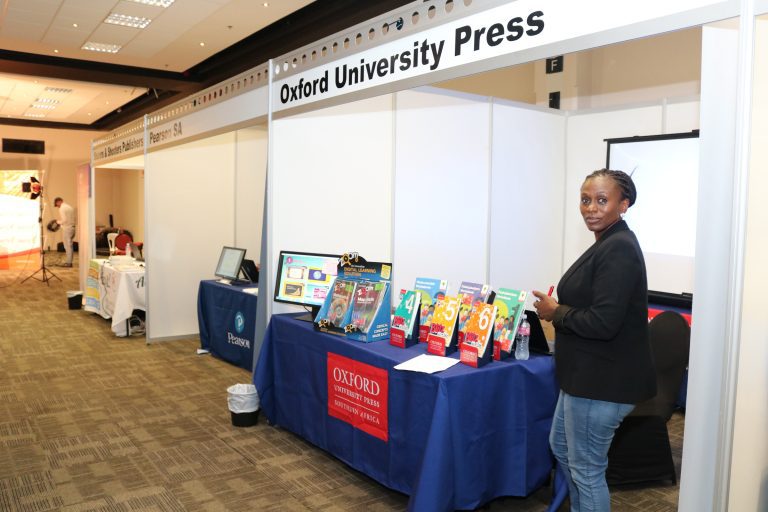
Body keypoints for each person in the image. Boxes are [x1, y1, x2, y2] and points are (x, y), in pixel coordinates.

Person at [532, 169, 656, 511]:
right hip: (583, 377)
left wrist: (556, 312)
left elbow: (603, 322)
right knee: (561, 448)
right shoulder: (606, 241)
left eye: (602, 200)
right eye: (586, 200)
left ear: (624, 204)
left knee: (587, 470)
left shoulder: (619, 248)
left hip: (602, 381)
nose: (591, 208)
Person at [54, 197, 76, 267]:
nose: (57, 207)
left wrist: (58, 222)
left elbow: (64, 220)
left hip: (67, 229)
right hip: (72, 228)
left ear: (58, 202)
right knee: (70, 246)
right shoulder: (69, 207)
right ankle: (69, 261)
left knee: (67, 246)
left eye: (57, 205)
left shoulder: (62, 208)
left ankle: (69, 263)